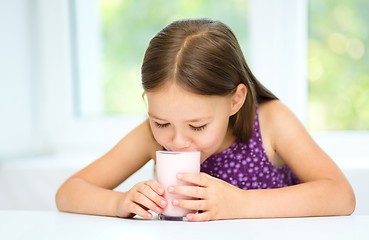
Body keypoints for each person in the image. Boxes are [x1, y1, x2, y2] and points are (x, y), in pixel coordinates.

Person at [56, 18, 355, 221]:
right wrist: (118, 203)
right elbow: (68, 192)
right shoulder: (150, 135)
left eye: (197, 126)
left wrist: (242, 204)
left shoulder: (270, 122)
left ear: (235, 100)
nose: (177, 141)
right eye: (161, 123)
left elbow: (341, 195)